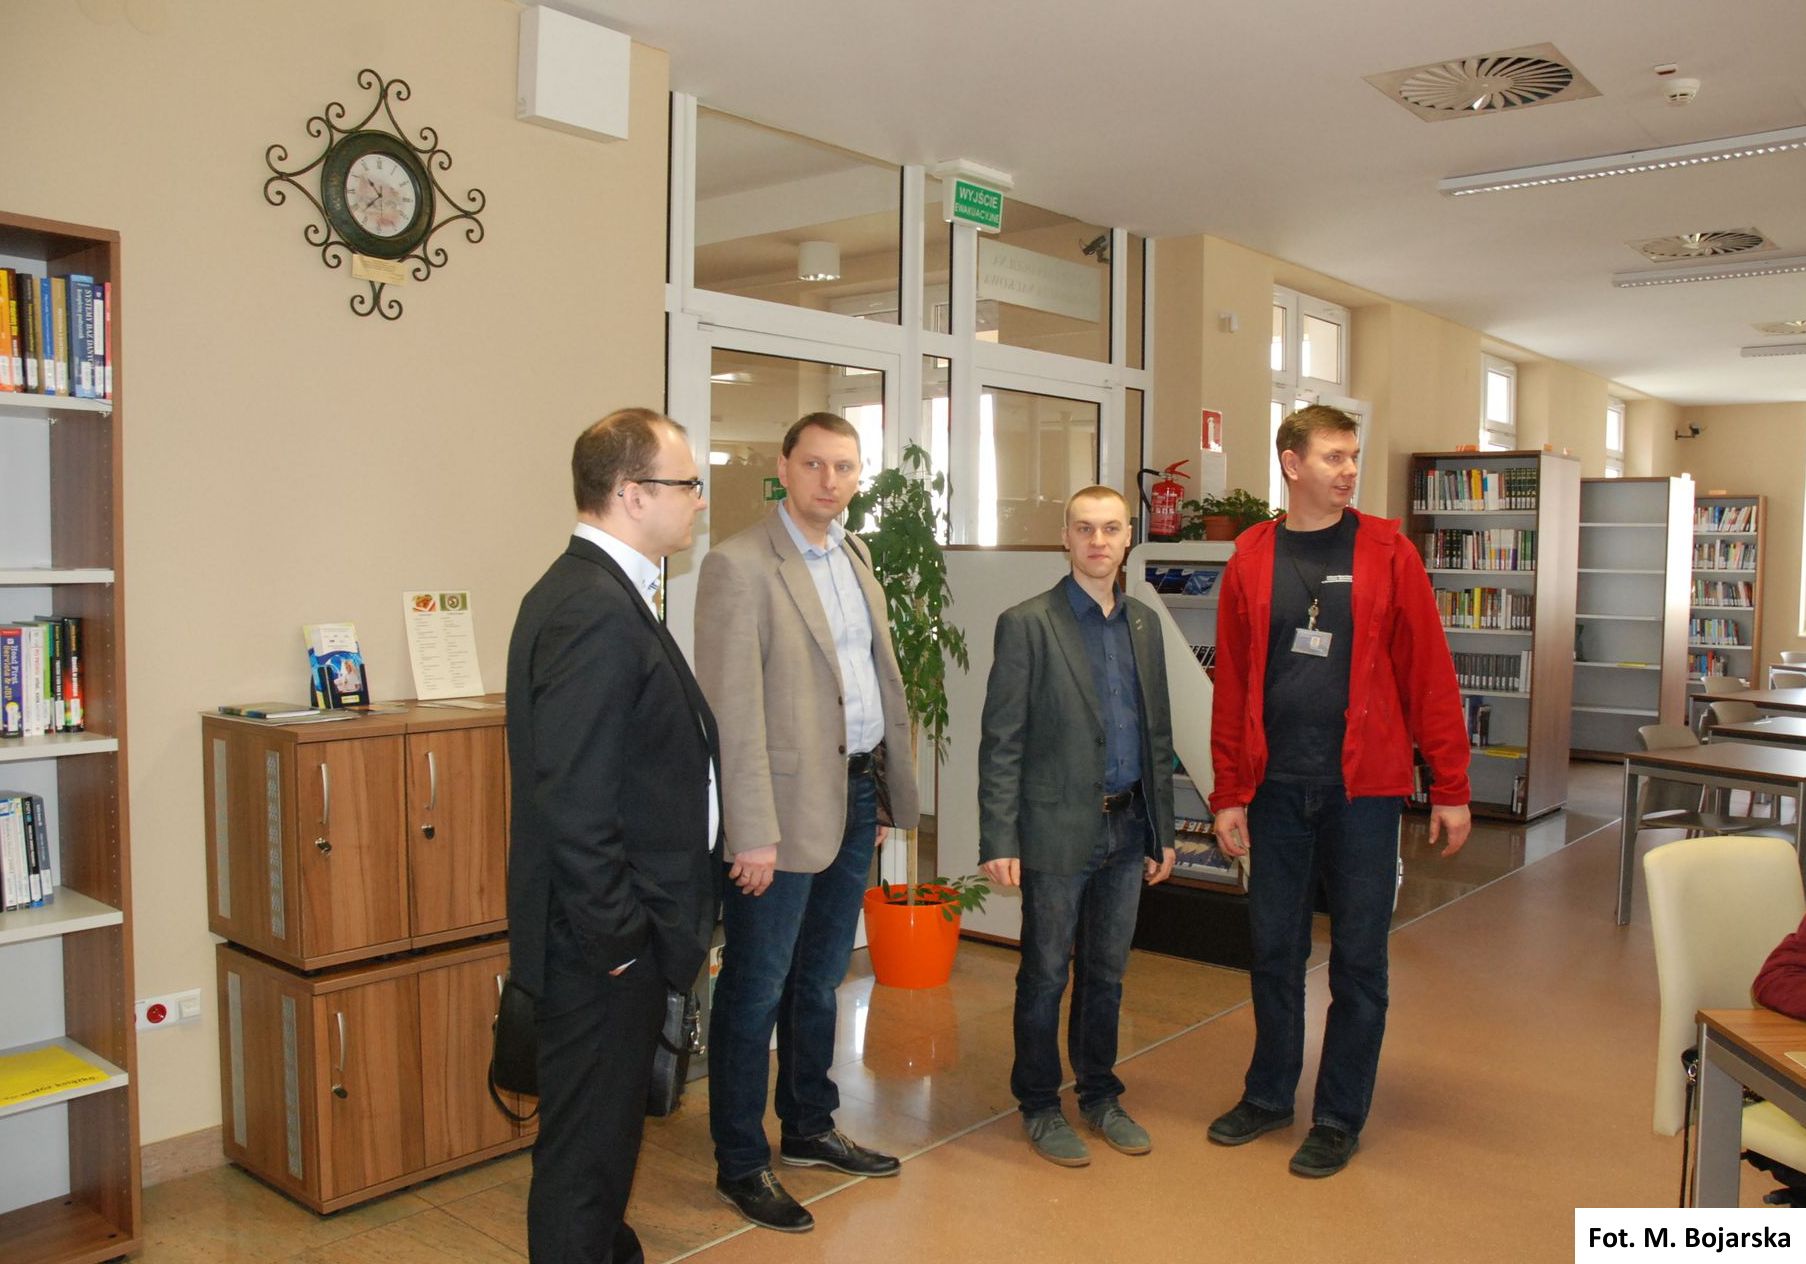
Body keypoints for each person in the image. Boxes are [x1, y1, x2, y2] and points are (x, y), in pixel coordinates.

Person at [1205, 404, 1471, 1179]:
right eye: (1333, 457)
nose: (1349, 470)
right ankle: (1267, 1095)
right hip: (1276, 790)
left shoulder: (1389, 551)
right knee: (1274, 951)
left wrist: (1450, 785)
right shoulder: (1251, 557)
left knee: (1359, 959)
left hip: (1365, 793)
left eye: (1353, 456)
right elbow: (1232, 686)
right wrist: (1229, 791)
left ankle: (1338, 1115)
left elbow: (1429, 672)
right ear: (1292, 464)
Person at [695, 412, 920, 1233]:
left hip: (853, 796)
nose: (831, 481)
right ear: (783, 468)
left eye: (845, 467)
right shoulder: (738, 565)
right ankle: (740, 1161)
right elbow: (731, 712)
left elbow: (871, 684)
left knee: (819, 979)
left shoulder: (855, 555)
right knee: (755, 990)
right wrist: (750, 830)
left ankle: (808, 1125)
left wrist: (886, 794)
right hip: (780, 818)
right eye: (815, 464)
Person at [506, 408, 720, 1264]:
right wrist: (623, 944)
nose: (699, 499)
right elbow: (574, 801)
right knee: (584, 1162)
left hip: (612, 937)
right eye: (687, 483)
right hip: (600, 951)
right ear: (632, 493)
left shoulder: (608, 590)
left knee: (604, 1143)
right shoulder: (592, 606)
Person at [977, 485, 1177, 1167]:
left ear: (1128, 539)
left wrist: (1163, 830)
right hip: (1055, 830)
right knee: (1044, 974)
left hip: (1127, 828)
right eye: (1084, 528)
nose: (1098, 541)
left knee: (1107, 973)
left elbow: (1156, 734)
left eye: (1111, 528)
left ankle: (1099, 1093)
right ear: (1065, 538)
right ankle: (1039, 1102)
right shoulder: (1027, 623)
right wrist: (999, 837)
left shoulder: (1144, 624)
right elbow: (1002, 740)